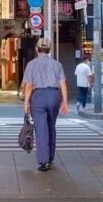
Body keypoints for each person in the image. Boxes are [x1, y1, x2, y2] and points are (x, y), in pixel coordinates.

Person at [21, 37, 69, 171]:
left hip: (38, 96)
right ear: (49, 50)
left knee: (41, 128)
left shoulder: (31, 64)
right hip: (54, 95)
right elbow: (62, 83)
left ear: (37, 49)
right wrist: (64, 101)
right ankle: (51, 156)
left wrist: (26, 102)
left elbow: (29, 85)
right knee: (51, 126)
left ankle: (44, 160)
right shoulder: (57, 64)